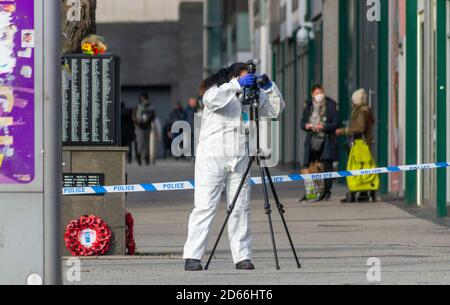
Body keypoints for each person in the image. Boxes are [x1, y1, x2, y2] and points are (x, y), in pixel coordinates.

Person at [183, 63, 285, 271]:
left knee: (241, 208)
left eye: (249, 78)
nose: (247, 81)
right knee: (205, 206)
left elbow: (276, 109)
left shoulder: (251, 97)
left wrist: (269, 86)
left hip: (240, 157)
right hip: (212, 157)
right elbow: (210, 101)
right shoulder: (219, 91)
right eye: (244, 77)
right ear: (233, 77)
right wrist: (235, 85)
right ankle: (193, 255)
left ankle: (242, 256)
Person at [300, 84, 340, 202]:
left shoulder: (331, 105)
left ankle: (327, 191)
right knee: (311, 168)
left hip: (326, 140)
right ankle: (312, 191)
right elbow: (302, 123)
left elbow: (336, 122)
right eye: (317, 93)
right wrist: (307, 126)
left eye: (321, 92)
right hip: (312, 141)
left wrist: (323, 126)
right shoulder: (309, 106)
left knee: (327, 167)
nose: (319, 95)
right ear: (312, 94)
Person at [336, 89, 377, 203]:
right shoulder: (367, 110)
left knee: (355, 167)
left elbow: (360, 128)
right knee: (366, 168)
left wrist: (345, 130)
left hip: (359, 144)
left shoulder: (359, 112)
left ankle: (355, 191)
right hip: (366, 143)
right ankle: (365, 191)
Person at [132, 93, 156, 166]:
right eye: (142, 98)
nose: (143, 100)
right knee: (140, 143)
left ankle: (146, 158)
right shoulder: (137, 106)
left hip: (147, 127)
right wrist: (137, 122)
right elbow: (133, 116)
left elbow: (153, 115)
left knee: (147, 143)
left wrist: (148, 120)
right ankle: (139, 157)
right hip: (139, 127)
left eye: (144, 98)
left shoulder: (150, 106)